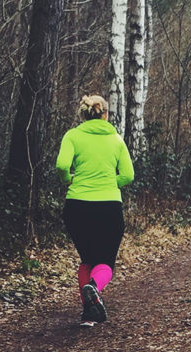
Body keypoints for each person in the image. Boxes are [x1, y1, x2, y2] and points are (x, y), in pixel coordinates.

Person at [56, 94, 134, 325]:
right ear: (105, 115)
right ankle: (94, 287)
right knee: (106, 262)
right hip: (109, 207)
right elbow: (128, 175)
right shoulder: (116, 140)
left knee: (87, 258)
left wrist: (69, 180)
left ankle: (89, 311)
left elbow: (61, 165)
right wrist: (110, 183)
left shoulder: (72, 136)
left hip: (76, 207)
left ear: (82, 114)